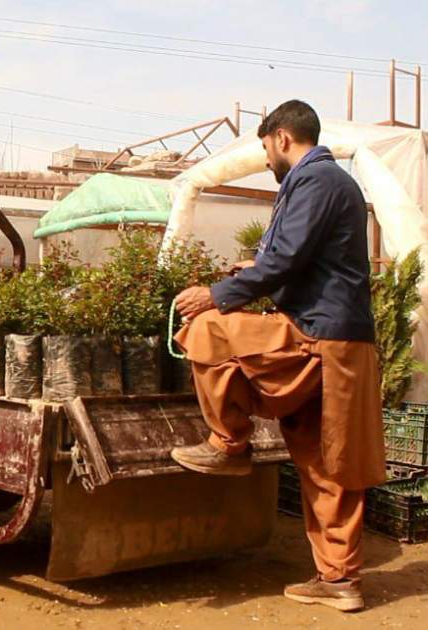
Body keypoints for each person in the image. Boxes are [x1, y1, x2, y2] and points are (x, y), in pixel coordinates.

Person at [170, 100, 384, 612]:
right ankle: (339, 581)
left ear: (282, 138)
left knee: (206, 331)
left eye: (266, 148)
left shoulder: (316, 181)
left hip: (321, 336)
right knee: (324, 461)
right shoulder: (330, 183)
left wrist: (219, 293)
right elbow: (301, 258)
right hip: (336, 338)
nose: (267, 160)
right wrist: (261, 266)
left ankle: (229, 442)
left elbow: (288, 258)